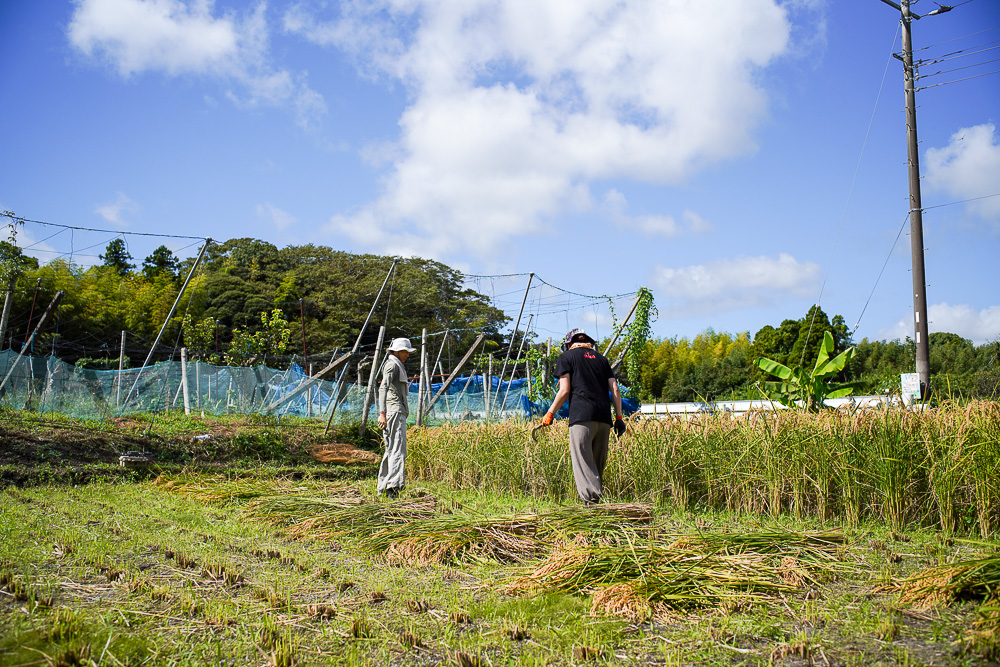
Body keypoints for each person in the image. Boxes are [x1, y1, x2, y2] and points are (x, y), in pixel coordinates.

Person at [541, 328, 625, 504]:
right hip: (604, 419)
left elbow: (564, 390)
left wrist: (550, 413)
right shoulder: (602, 359)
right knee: (597, 464)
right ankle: (597, 506)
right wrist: (619, 418)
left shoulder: (567, 357)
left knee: (583, 463)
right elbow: (615, 389)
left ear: (569, 344)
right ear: (588, 341)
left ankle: (592, 506)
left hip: (581, 417)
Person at [377, 337, 416, 497]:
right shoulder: (392, 364)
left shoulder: (396, 363)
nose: (407, 355)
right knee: (398, 450)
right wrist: (382, 413)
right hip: (394, 412)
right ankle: (393, 488)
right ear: (397, 351)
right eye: (405, 352)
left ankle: (383, 487)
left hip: (394, 412)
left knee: (392, 449)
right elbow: (382, 388)